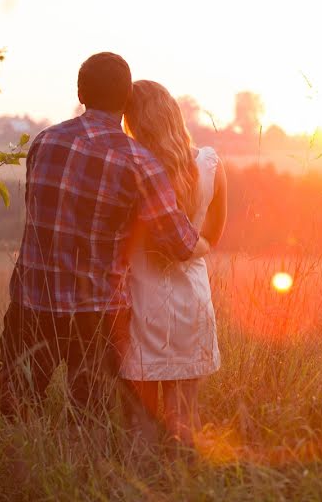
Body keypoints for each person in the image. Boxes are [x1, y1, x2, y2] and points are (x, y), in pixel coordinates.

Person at [0, 53, 210, 419]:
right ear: (126, 99)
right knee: (92, 421)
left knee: (14, 410)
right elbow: (181, 244)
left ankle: (14, 471)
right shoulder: (139, 161)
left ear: (80, 92)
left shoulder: (45, 142)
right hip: (96, 315)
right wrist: (208, 242)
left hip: (31, 303)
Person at [119, 80, 228, 448]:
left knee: (141, 418)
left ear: (132, 120)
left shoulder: (131, 170)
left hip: (142, 300)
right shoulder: (209, 164)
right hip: (192, 299)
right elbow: (213, 236)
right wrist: (193, 250)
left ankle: (141, 485)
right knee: (185, 413)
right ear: (173, 114)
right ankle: (186, 482)